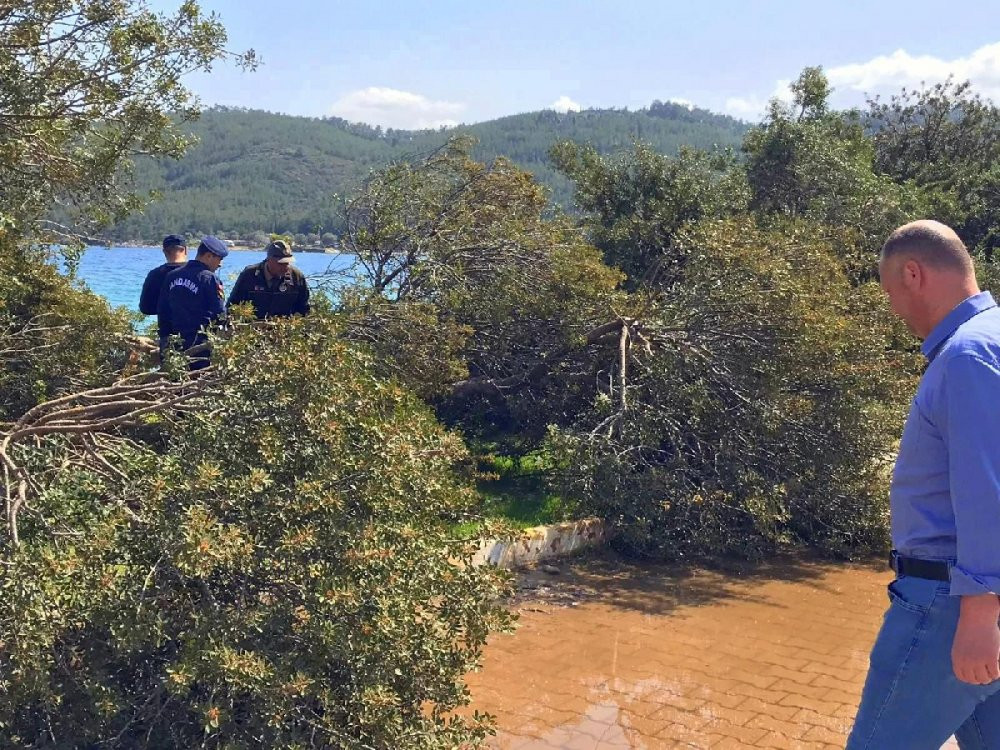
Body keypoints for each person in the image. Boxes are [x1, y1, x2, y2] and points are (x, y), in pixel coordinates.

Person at [847, 220, 1000, 749]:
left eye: (892, 292)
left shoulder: (967, 356)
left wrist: (980, 612)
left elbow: (987, 488)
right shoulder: (990, 340)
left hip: (949, 603)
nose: (895, 309)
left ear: (913, 274)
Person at [156, 236, 229, 369]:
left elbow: (163, 311)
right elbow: (220, 315)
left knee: (174, 386)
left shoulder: (172, 275)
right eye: (219, 259)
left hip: (173, 345)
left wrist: (164, 341)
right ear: (208, 256)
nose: (220, 264)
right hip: (200, 348)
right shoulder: (209, 279)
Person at [227, 239, 310, 319]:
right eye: (281, 263)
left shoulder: (296, 277)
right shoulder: (249, 275)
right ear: (269, 260)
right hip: (253, 330)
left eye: (287, 263)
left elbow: (304, 309)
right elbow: (232, 305)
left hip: (283, 330)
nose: (286, 267)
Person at [138, 234, 188, 315]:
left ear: (164, 252)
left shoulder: (154, 275)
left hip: (166, 326)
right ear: (185, 250)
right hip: (197, 327)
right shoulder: (200, 273)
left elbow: (145, 308)